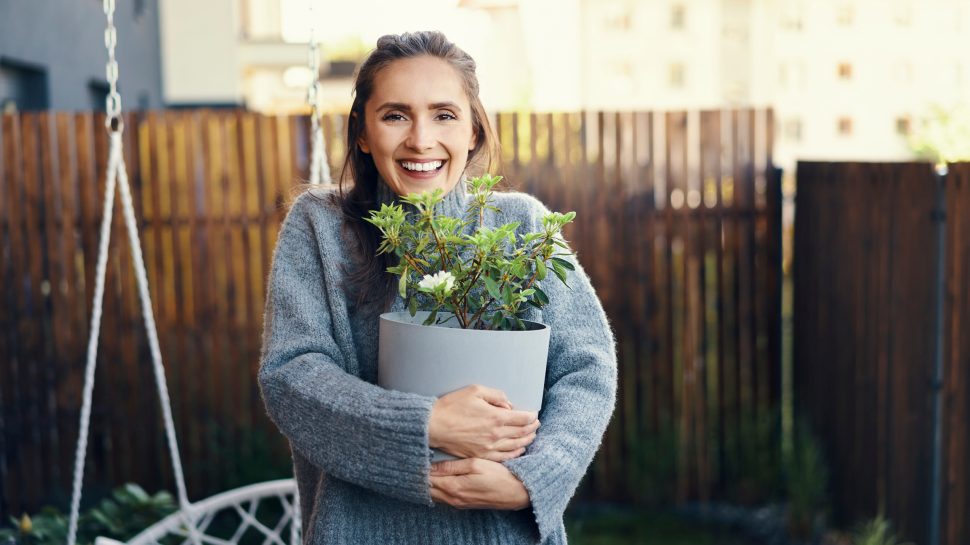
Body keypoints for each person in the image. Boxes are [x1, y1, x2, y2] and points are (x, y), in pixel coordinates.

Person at [258, 30, 616, 544]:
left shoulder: (521, 226)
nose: (421, 140)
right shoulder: (319, 227)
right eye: (396, 115)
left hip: (500, 529)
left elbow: (586, 367)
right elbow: (292, 376)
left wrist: (532, 480)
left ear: (473, 131)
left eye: (444, 114)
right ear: (362, 132)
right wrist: (426, 423)